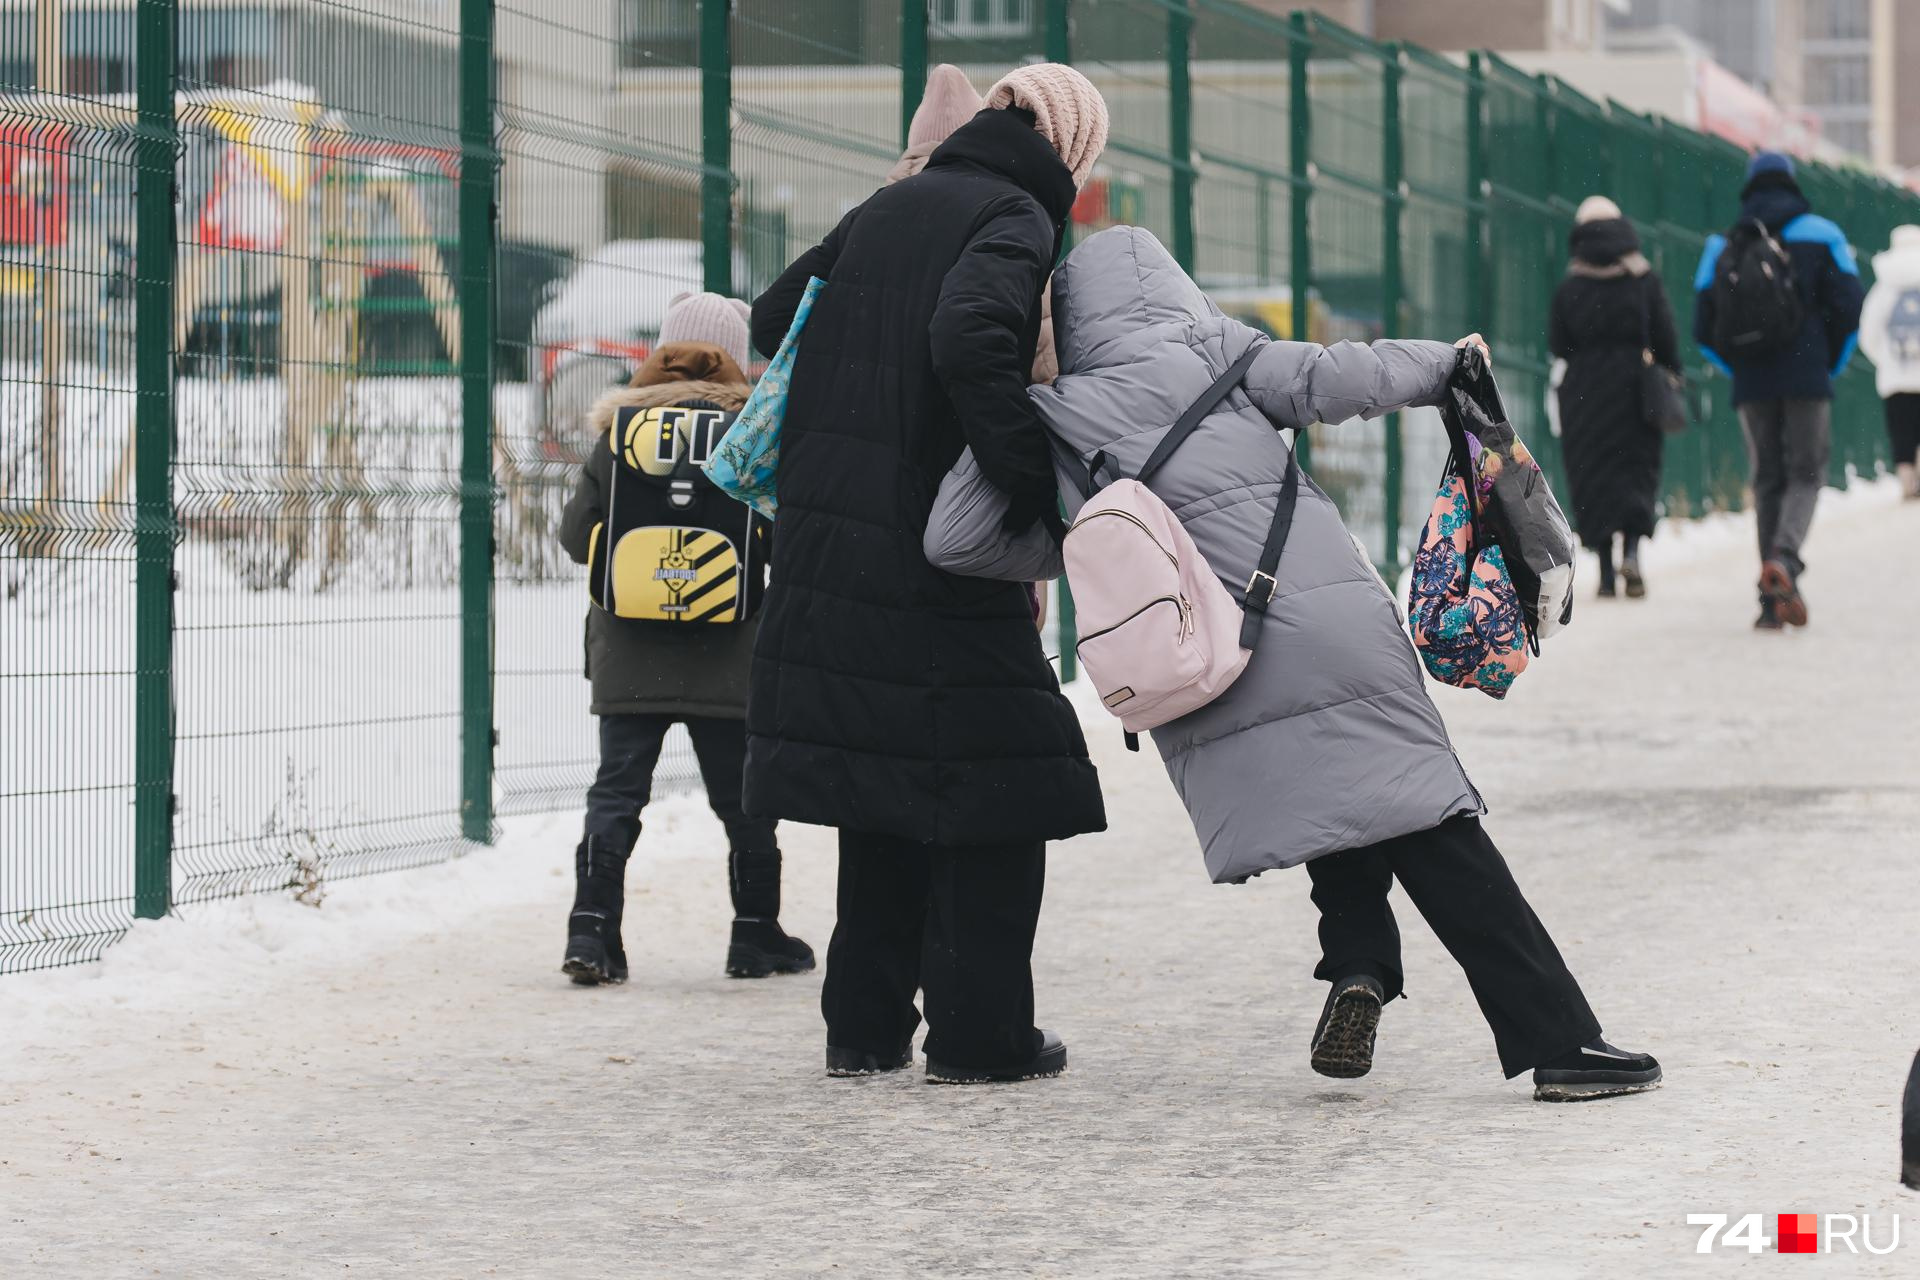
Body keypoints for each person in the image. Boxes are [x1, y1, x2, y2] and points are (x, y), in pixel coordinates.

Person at [973, 223, 1662, 1101]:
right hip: (1321, 618)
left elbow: (956, 537)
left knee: (1330, 797)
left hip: (1203, 653)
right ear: (1169, 288)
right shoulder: (1218, 353)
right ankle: (1561, 1038)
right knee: (1431, 824)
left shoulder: (1053, 418)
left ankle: (1360, 965)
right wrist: (1446, 363)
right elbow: (1344, 377)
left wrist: (1062, 520)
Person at [746, 65, 1110, 1083]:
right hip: (934, 543)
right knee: (1007, 775)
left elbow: (774, 319)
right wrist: (1028, 486)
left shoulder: (891, 205)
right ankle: (980, 1035)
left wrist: (861, 403)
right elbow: (968, 337)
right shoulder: (1012, 214)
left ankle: (863, 1026)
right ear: (1066, 145)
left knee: (887, 778)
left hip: (832, 537)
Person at [555, 293, 814, 986]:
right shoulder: (750, 432)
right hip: (729, 652)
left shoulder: (620, 428)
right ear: (734, 354)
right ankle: (755, 931)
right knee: (741, 799)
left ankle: (592, 930)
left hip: (627, 650)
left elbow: (577, 539)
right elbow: (785, 538)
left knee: (616, 793)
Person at [1694, 151, 1864, 630]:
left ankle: (1770, 603)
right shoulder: (1823, 233)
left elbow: (1703, 327)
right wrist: (1827, 361)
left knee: (1767, 477)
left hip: (1752, 380)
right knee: (1806, 473)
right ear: (1792, 184)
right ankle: (1785, 562)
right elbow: (1850, 307)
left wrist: (1738, 365)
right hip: (1808, 373)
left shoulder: (1722, 244)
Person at [1549, 195, 1682, 599]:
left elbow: (1558, 343)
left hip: (1585, 390)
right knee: (1636, 469)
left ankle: (1605, 571)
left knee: (1595, 472)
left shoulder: (1571, 284)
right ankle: (1634, 554)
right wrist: (1672, 369)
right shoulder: (1644, 278)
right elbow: (1665, 334)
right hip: (1635, 388)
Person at [1856, 224, 1920, 501]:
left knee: (1902, 430)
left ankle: (1907, 479)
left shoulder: (1884, 288)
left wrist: (1886, 360)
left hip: (1896, 378)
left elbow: (1868, 333)